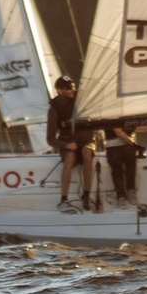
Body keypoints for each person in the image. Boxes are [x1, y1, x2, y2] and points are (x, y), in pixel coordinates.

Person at [49, 77, 91, 211]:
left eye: (73, 87)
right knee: (70, 157)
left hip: (85, 141)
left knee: (87, 153)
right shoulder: (54, 108)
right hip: (68, 142)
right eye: (68, 88)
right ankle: (64, 199)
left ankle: (86, 194)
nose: (73, 90)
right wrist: (65, 145)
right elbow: (50, 139)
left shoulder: (83, 99)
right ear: (60, 91)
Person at [105, 126, 142, 207]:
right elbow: (118, 132)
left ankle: (131, 190)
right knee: (116, 166)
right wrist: (133, 144)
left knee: (131, 157)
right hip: (112, 146)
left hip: (126, 144)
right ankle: (121, 195)